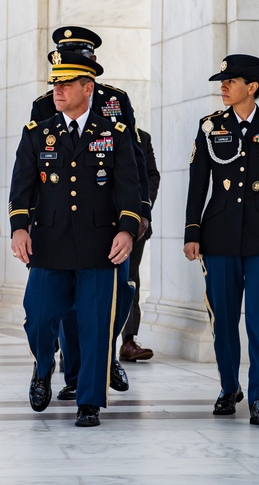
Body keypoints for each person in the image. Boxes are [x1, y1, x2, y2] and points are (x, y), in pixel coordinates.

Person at [10, 49, 142, 427]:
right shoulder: (38, 133)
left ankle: (89, 401)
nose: (57, 89)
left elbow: (128, 190)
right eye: (55, 83)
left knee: (96, 323)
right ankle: (42, 368)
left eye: (66, 83)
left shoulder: (112, 133)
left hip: (101, 245)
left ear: (88, 88)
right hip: (49, 244)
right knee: (37, 318)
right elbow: (21, 189)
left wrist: (127, 230)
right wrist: (20, 228)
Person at [182, 54, 259, 426]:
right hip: (218, 234)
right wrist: (192, 230)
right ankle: (228, 387)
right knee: (223, 320)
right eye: (222, 81)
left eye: (230, 81)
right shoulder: (209, 127)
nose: (223, 86)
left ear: (252, 87)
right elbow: (198, 182)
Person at [118, 127, 161, 362]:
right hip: (94, 223)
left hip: (135, 224)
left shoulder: (141, 137)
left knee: (130, 280)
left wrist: (144, 210)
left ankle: (128, 340)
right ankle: (72, 346)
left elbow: (151, 175)